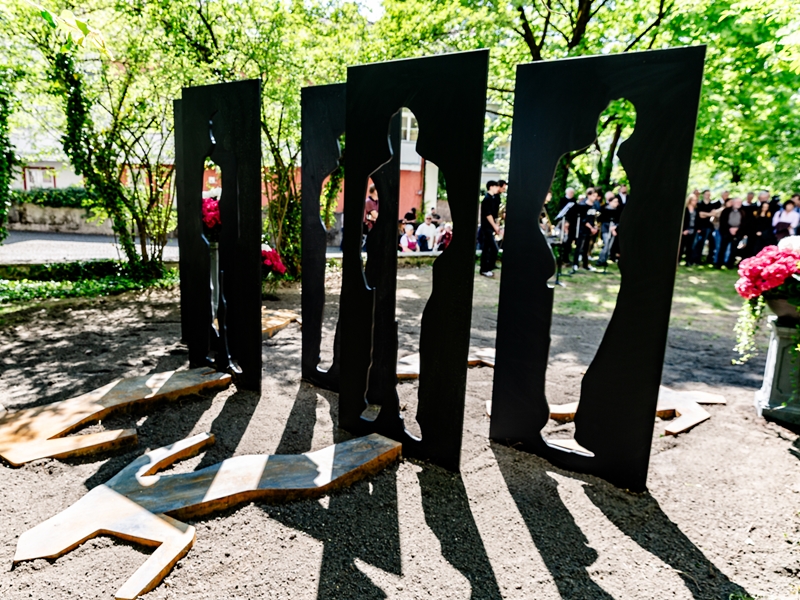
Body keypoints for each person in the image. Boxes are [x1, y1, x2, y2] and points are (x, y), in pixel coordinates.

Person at [572, 187, 600, 271]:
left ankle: (586, 264)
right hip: (582, 229)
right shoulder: (583, 205)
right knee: (579, 246)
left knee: (587, 248)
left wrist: (595, 227)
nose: (595, 198)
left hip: (590, 230)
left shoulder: (595, 205)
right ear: (588, 195)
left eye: (596, 196)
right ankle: (575, 264)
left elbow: (595, 217)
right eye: (593, 195)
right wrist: (591, 227)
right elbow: (583, 219)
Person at [479, 181, 501, 277]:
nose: (497, 188)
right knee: (491, 248)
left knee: (488, 248)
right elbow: (488, 215)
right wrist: (495, 226)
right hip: (486, 228)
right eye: (496, 186)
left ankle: (487, 268)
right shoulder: (487, 199)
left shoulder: (492, 199)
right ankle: (485, 269)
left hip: (490, 228)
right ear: (491, 187)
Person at [716, 197, 745, 268]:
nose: (739, 204)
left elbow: (744, 223)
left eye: (740, 203)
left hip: (737, 233)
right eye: (737, 202)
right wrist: (730, 229)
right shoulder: (726, 211)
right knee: (722, 248)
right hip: (726, 233)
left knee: (734, 249)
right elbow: (722, 222)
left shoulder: (743, 212)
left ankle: (730, 264)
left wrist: (737, 230)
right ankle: (719, 264)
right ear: (733, 203)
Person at [692, 189, 719, 264]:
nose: (708, 196)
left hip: (709, 227)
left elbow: (714, 214)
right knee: (699, 244)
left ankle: (708, 260)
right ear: (703, 195)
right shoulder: (699, 203)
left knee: (711, 244)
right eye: (706, 194)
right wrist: (709, 214)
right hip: (700, 227)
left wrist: (706, 214)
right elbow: (700, 215)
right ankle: (695, 259)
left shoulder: (712, 204)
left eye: (709, 194)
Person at [596, 194, 620, 267]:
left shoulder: (618, 211)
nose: (616, 203)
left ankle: (604, 260)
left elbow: (619, 221)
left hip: (613, 230)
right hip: (606, 229)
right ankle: (600, 260)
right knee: (606, 244)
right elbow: (601, 219)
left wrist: (614, 227)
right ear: (610, 202)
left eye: (617, 202)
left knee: (610, 246)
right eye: (615, 202)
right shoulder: (605, 210)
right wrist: (610, 227)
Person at [557, 187, 578, 265]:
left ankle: (566, 258)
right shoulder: (563, 200)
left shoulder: (574, 201)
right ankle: (561, 258)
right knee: (563, 240)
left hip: (573, 223)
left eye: (572, 193)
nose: (572, 194)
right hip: (564, 223)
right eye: (570, 193)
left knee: (569, 241)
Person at [681, 194, 699, 265]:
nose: (695, 202)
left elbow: (697, 220)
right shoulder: (685, 209)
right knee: (682, 246)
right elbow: (683, 221)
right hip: (685, 230)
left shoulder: (696, 210)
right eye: (694, 200)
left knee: (690, 246)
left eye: (696, 200)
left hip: (693, 230)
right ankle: (678, 260)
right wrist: (684, 230)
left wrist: (697, 228)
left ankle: (688, 261)